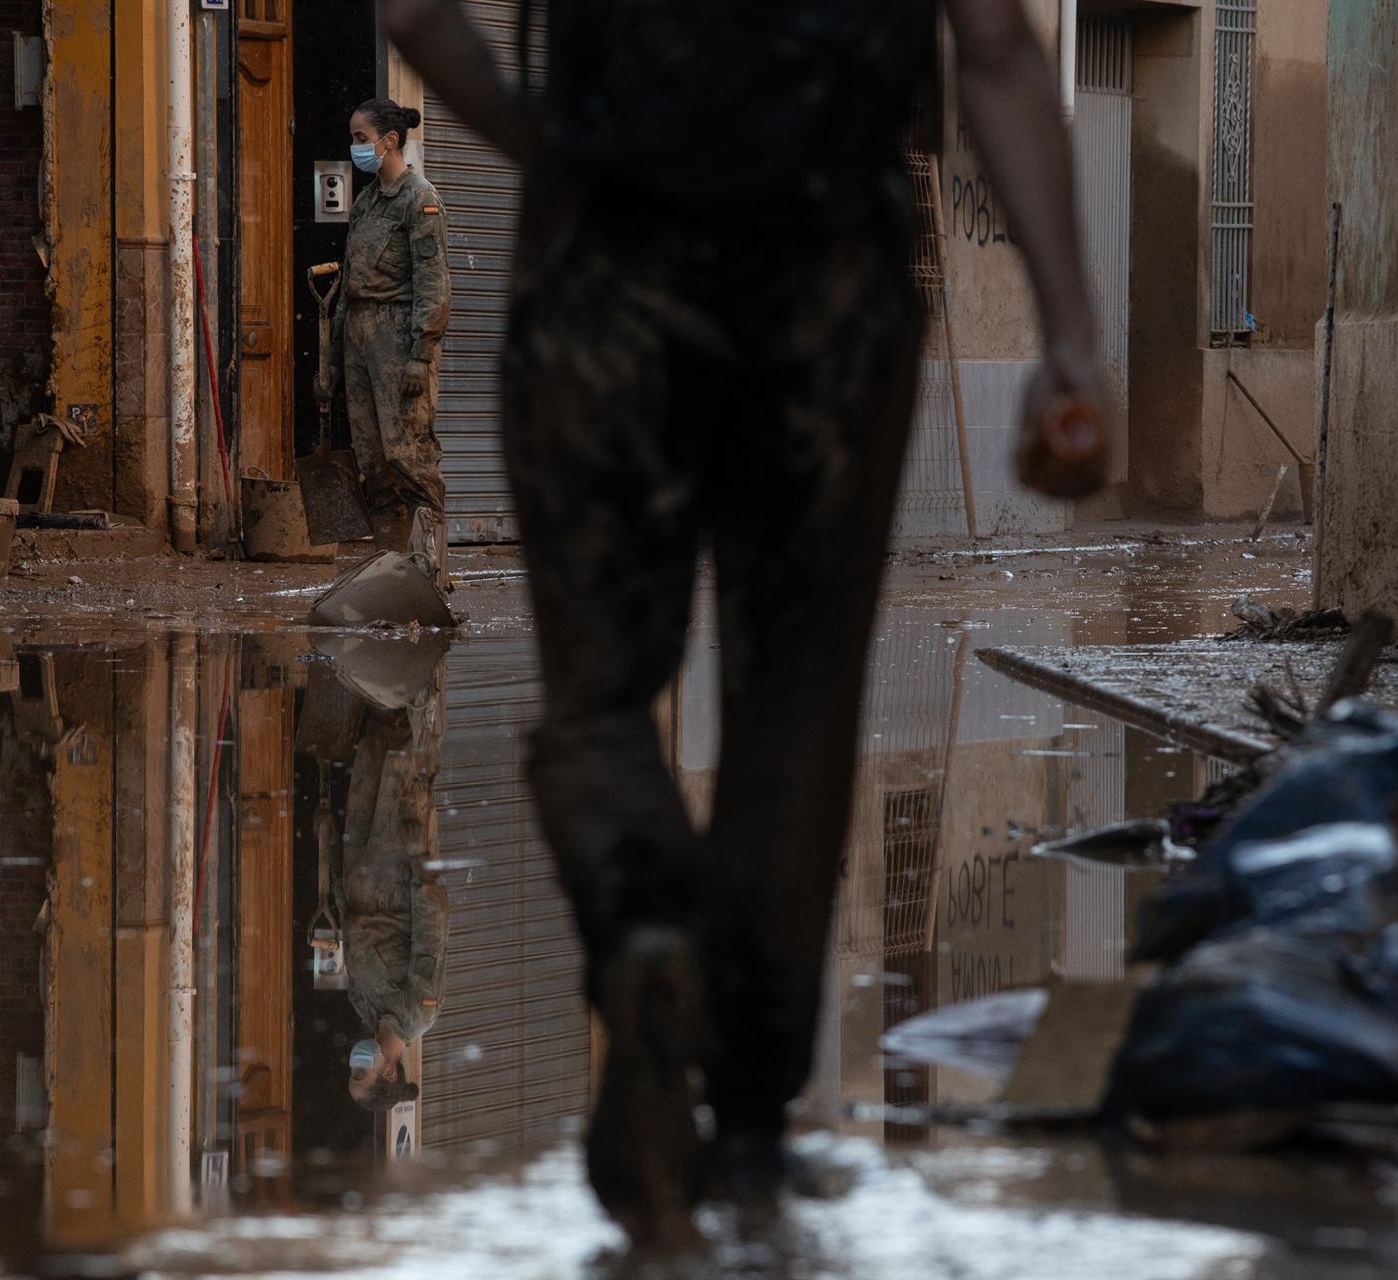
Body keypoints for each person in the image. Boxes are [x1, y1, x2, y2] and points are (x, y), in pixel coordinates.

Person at [379, 0, 1111, 1246]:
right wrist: (1072, 338)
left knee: (603, 694)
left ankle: (647, 925)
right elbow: (995, 43)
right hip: (829, 272)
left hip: (607, 260)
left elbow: (413, 13)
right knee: (797, 700)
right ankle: (756, 1113)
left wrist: (542, 147)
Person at [302, 632, 453, 1113]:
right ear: (388, 1072)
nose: (355, 1062)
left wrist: (330, 860)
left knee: (371, 754)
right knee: (404, 767)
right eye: (359, 1073)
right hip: (393, 874)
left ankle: (383, 651)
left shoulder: (365, 1010)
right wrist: (417, 858)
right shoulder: (418, 1012)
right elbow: (433, 931)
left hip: (358, 872)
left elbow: (351, 932)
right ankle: (421, 653)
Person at [334, 98, 453, 581]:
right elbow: (348, 282)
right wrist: (334, 358)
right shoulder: (366, 203)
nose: (356, 148)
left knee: (411, 459)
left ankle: (430, 573)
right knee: (375, 463)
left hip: (399, 339)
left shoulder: (418, 199)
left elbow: (433, 283)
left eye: (362, 139)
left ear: (389, 141)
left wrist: (421, 354)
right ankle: (389, 575)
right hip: (361, 339)